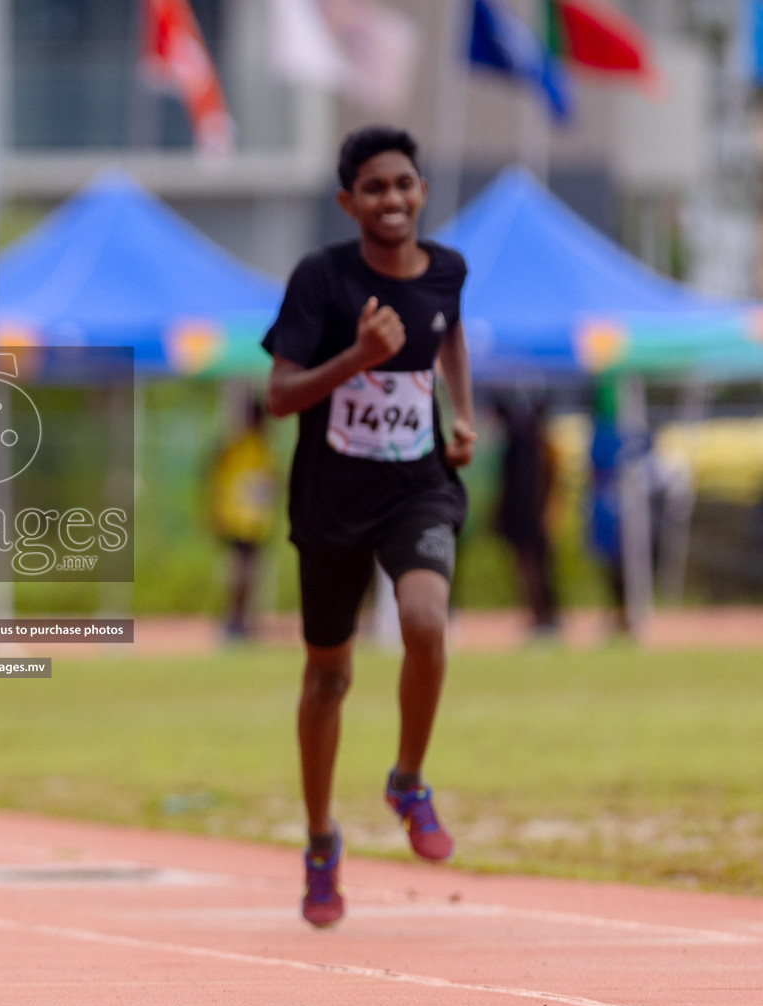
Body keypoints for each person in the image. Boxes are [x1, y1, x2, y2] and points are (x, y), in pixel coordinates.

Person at [261, 126, 475, 928]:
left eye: (404, 184)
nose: (393, 199)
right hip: (329, 500)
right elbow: (280, 395)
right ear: (349, 201)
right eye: (375, 188)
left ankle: (407, 780)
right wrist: (355, 358)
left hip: (417, 484)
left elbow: (445, 333)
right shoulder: (321, 279)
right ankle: (320, 841)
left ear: (421, 190)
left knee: (424, 620)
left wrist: (460, 413)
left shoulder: (448, 270)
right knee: (329, 677)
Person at [207, 397, 278, 639]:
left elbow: (269, 484)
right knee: (240, 573)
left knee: (249, 575)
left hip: (255, 523)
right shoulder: (237, 447)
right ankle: (234, 620)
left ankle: (242, 620)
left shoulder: (262, 447)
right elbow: (219, 479)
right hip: (238, 521)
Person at [492, 389, 561, 637]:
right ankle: (540, 615)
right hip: (527, 514)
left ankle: (544, 616)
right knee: (532, 567)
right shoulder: (530, 445)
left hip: (530, 515)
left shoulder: (533, 447)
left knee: (533, 567)